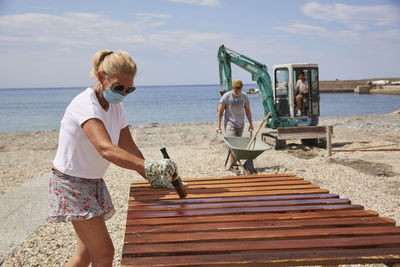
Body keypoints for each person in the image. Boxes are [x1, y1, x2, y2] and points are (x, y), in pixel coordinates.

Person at [50, 50, 178, 267]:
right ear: (102, 77)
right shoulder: (86, 103)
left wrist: (154, 177)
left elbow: (129, 147)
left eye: (130, 89)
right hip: (72, 183)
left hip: (92, 181)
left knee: (86, 253)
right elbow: (106, 149)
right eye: (119, 87)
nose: (124, 93)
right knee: (105, 253)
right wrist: (152, 167)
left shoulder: (116, 106)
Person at [216, 80, 253, 170]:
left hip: (240, 124)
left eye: (239, 90)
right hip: (229, 123)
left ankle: (233, 162)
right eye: (235, 90)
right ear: (232, 88)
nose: (237, 92)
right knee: (233, 144)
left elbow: (248, 111)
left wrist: (251, 124)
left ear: (241, 89)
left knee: (237, 145)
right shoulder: (226, 96)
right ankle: (234, 164)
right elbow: (220, 112)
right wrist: (218, 125)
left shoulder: (244, 97)